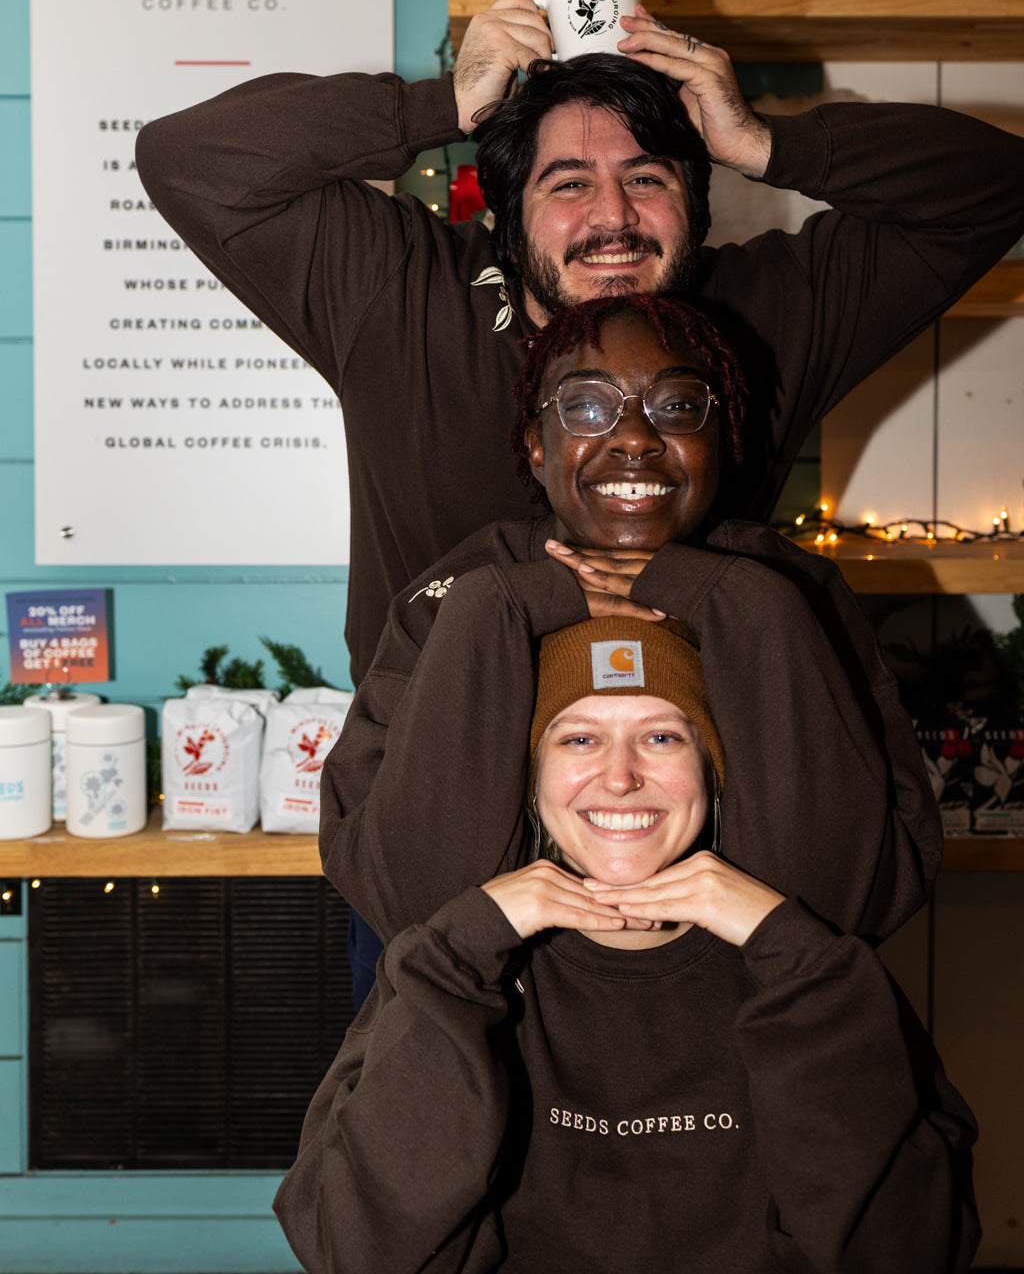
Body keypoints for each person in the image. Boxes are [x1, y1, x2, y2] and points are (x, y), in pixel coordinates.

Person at [134, 0, 1024, 689]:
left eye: (646, 177)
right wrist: (441, 104)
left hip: (693, 808)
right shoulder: (397, 289)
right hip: (435, 805)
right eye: (568, 184)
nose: (612, 218)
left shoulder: (765, 308)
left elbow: (994, 188)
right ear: (507, 218)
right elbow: (190, 158)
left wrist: (766, 143)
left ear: (695, 203)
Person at [274, 617, 979, 1274]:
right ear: (531, 779)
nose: (619, 777)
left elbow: (912, 1246)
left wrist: (790, 950)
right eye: (579, 739)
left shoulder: (813, 966)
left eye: (663, 737)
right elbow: (354, 1249)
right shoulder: (450, 961)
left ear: (712, 769)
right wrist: (464, 947)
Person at [320, 294, 940, 953]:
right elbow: (404, 899)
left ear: (720, 438)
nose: (636, 438)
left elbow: (860, 898)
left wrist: (741, 603)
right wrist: (502, 607)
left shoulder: (791, 590)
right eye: (587, 406)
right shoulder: (458, 593)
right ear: (536, 443)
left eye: (676, 407)